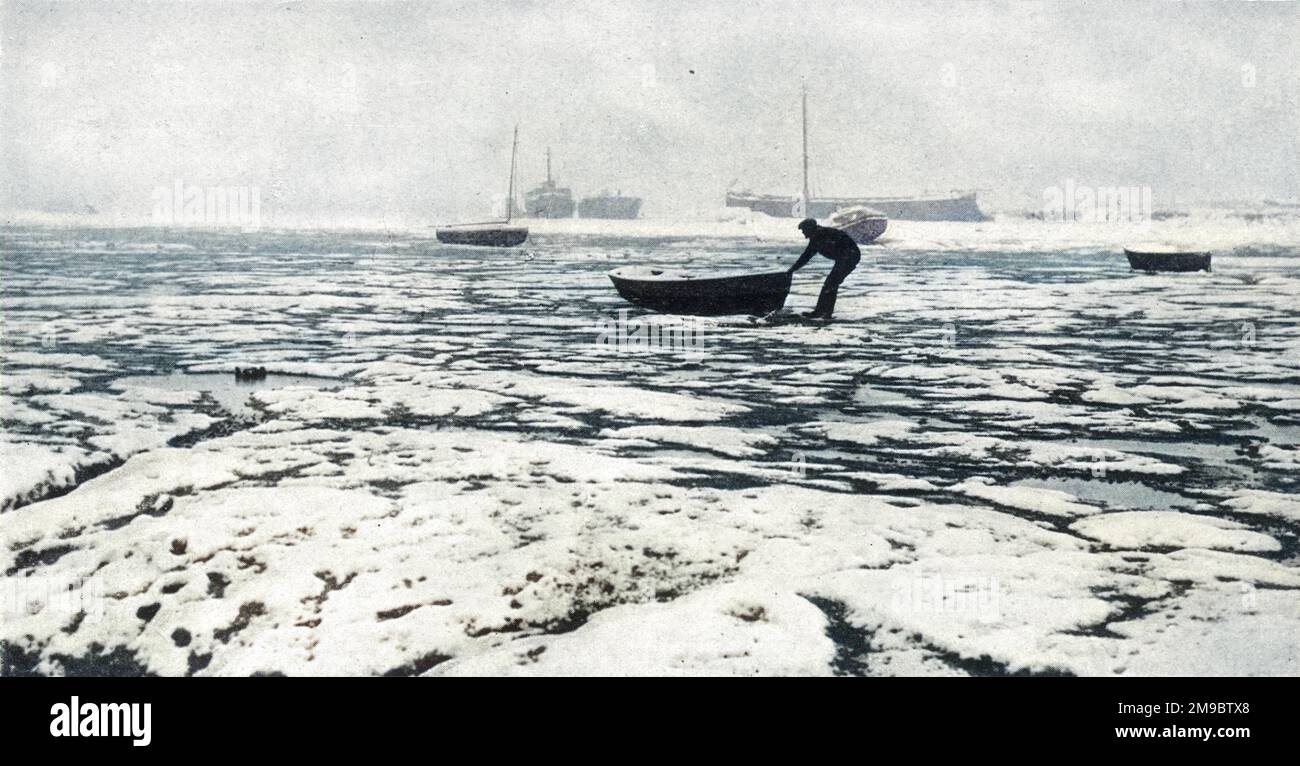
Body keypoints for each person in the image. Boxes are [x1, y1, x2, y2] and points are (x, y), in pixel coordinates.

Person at [787, 218, 860, 319]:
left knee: (831, 284)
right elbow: (806, 256)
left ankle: (825, 313)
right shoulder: (816, 236)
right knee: (830, 284)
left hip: (849, 256)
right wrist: (792, 269)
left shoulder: (821, 235)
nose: (803, 233)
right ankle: (821, 311)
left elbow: (807, 256)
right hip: (844, 257)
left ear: (810, 228)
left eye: (804, 230)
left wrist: (792, 269)